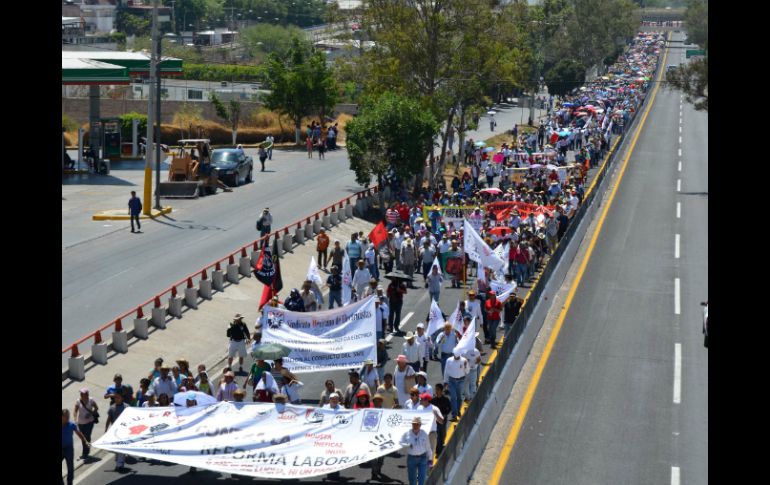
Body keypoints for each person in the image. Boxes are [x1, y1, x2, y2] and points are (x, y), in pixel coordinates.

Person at [400, 416, 433, 485]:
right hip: (411, 458)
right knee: (412, 479)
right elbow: (400, 442)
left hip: (422, 458)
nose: (415, 426)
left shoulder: (424, 434)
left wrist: (430, 459)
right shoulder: (407, 434)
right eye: (414, 424)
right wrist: (407, 445)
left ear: (420, 425)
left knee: (422, 478)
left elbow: (428, 447)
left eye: (417, 424)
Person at [62, 409, 90, 485]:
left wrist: (85, 441)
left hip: (69, 449)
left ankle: (69, 483)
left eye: (68, 416)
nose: (68, 418)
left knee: (70, 468)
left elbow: (79, 433)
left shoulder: (72, 425)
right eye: (66, 416)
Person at [416, 392, 444, 460]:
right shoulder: (419, 408)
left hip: (431, 434)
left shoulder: (435, 409)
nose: (420, 400)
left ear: (427, 400)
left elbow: (441, 421)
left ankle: (429, 465)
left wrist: (435, 414)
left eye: (422, 399)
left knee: (430, 454)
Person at [73, 388, 98, 461]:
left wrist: (90, 414)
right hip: (81, 423)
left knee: (87, 437)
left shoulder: (91, 400)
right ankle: (86, 451)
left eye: (83, 393)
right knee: (83, 437)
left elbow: (96, 408)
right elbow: (75, 411)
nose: (81, 395)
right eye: (81, 393)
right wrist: (75, 419)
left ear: (87, 394)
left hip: (90, 422)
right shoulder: (78, 401)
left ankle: (85, 453)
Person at [443, 349, 468, 421]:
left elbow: (467, 371)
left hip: (461, 381)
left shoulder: (464, 360)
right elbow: (446, 371)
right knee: (453, 398)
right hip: (452, 381)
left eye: (457, 357)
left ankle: (458, 410)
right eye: (455, 356)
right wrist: (445, 381)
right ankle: (454, 415)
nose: (456, 358)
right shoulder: (449, 360)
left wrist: (465, 366)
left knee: (459, 397)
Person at [104, 392, 128, 470]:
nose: (116, 399)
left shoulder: (127, 407)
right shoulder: (112, 408)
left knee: (122, 447)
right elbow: (109, 419)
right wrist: (106, 429)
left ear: (122, 398)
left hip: (124, 431)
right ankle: (119, 460)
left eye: (118, 397)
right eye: (115, 398)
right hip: (115, 431)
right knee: (117, 448)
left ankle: (119, 465)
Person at [431, 384, 452, 455]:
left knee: (443, 434)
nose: (436, 391)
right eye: (436, 389)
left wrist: (445, 414)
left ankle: (441, 445)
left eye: (438, 389)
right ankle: (438, 451)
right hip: (435, 420)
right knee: (438, 435)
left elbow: (449, 408)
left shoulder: (446, 400)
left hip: (443, 420)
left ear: (441, 390)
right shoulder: (433, 400)